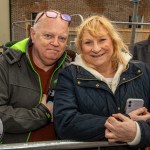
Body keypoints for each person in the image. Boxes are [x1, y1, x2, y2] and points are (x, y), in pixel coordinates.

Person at [53, 15, 150, 150]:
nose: (96, 48)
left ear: (113, 41)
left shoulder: (141, 71)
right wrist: (126, 121)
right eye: (88, 42)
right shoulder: (70, 75)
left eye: (102, 40)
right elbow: (65, 123)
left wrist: (138, 132)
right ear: (80, 46)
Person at [0, 9, 71, 143]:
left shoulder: (70, 71)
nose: (56, 43)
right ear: (33, 34)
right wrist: (42, 114)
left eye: (62, 38)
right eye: (48, 36)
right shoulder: (5, 66)